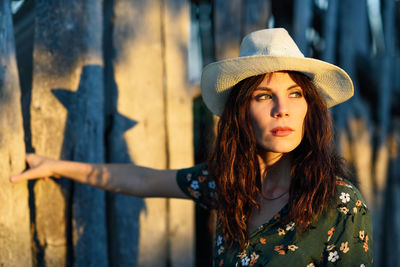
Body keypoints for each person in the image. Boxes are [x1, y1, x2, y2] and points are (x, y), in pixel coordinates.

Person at [10, 28, 373, 266]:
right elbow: (143, 181)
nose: (283, 109)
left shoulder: (340, 203)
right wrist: (56, 166)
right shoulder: (229, 184)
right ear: (241, 114)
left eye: (295, 94)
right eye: (265, 96)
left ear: (309, 107)